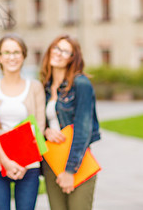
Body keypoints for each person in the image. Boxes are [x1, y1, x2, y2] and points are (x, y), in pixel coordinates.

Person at [0, 34, 46, 210]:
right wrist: (5, 161)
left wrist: (22, 161)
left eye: (17, 52)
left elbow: (39, 126)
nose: (12, 57)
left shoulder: (35, 87)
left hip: (28, 165)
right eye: (7, 52)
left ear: (24, 56)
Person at [40, 35, 101, 210]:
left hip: (77, 162)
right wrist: (45, 131)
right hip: (52, 162)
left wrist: (69, 170)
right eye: (56, 48)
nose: (58, 53)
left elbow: (83, 129)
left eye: (65, 51)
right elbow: (38, 122)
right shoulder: (45, 87)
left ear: (73, 58)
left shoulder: (81, 84)